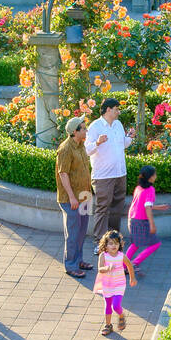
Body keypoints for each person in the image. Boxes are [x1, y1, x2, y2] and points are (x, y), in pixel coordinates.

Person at [87, 97, 134, 243]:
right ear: (108, 110)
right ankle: (99, 242)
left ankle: (113, 239)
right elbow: (87, 150)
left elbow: (122, 144)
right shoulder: (95, 126)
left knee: (117, 208)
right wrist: (98, 142)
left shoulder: (118, 125)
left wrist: (130, 138)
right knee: (102, 208)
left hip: (120, 173)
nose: (118, 112)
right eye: (116, 109)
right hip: (103, 176)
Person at [55, 115, 95, 279]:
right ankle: (70, 265)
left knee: (81, 232)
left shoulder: (81, 144)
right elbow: (63, 174)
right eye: (84, 128)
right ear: (74, 132)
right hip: (71, 199)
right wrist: (71, 197)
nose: (86, 130)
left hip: (85, 196)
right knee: (72, 233)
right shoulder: (65, 149)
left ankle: (78, 260)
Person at [126, 165, 169, 271]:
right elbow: (147, 207)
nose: (156, 176)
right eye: (155, 174)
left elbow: (141, 204)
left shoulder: (138, 188)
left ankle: (123, 266)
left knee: (135, 244)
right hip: (141, 221)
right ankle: (135, 263)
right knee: (155, 244)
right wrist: (152, 224)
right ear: (150, 177)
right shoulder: (150, 189)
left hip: (133, 218)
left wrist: (158, 207)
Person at [94, 229, 135, 336]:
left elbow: (130, 265)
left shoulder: (121, 256)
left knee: (116, 305)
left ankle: (121, 315)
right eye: (111, 243)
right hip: (107, 284)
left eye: (116, 243)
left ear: (119, 244)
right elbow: (100, 269)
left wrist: (132, 278)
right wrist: (107, 268)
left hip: (119, 284)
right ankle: (108, 325)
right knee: (108, 305)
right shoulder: (103, 255)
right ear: (105, 245)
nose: (114, 246)